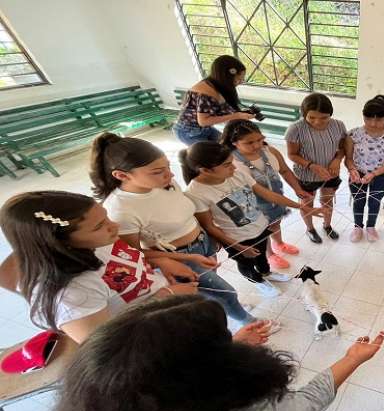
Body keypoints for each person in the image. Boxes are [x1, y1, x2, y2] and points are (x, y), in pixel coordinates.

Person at [53, 295, 384, 411]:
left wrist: (230, 346)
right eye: (226, 339)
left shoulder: (102, 400)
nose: (234, 340)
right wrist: (354, 357)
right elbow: (309, 401)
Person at [89, 132, 256, 326]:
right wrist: (189, 257)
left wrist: (208, 235)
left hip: (202, 244)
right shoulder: (120, 210)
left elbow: (186, 212)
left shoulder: (165, 182)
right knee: (225, 292)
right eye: (158, 171)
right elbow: (136, 254)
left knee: (214, 288)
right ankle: (247, 321)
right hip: (177, 257)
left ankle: (225, 306)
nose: (171, 174)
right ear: (122, 175)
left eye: (167, 166)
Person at [0, 191, 198, 343]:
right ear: (58, 242)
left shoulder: (100, 239)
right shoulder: (70, 295)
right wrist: (164, 296)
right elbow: (107, 343)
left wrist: (160, 262)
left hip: (169, 312)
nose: (114, 226)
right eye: (98, 226)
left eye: (106, 217)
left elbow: (126, 260)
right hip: (154, 337)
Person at [180, 141, 323, 297]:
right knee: (246, 263)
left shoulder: (237, 174)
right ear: (205, 170)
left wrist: (302, 207)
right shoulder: (195, 193)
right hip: (236, 239)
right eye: (228, 165)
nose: (234, 168)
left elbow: (267, 194)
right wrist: (238, 247)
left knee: (261, 254)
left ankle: (266, 273)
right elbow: (210, 227)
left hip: (260, 226)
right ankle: (257, 281)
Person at [221, 120, 309, 269]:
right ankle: (270, 253)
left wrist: (297, 189)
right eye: (249, 143)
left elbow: (285, 171)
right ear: (234, 142)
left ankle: (279, 243)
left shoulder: (271, 152)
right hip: (254, 205)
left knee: (276, 223)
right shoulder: (233, 162)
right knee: (263, 231)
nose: (257, 145)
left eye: (260, 140)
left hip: (276, 198)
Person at [285, 93, 348, 244]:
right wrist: (311, 165)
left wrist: (337, 160)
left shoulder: (338, 125)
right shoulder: (295, 129)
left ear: (330, 114)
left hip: (331, 174)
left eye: (324, 118)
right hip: (306, 175)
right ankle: (310, 229)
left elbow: (342, 147)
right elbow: (292, 154)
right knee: (307, 203)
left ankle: (327, 226)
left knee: (327, 200)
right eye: (311, 117)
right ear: (304, 114)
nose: (318, 122)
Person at [344, 95, 384, 242]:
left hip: (381, 176)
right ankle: (358, 227)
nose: (373, 123)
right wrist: (352, 170)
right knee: (358, 201)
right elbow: (349, 159)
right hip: (357, 174)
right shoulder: (353, 134)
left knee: (374, 202)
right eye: (368, 118)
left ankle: (371, 226)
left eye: (378, 119)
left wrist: (374, 174)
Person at [172, 55, 255, 145]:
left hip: (204, 129)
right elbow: (203, 121)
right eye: (239, 78)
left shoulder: (217, 85)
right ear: (226, 76)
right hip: (189, 132)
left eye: (243, 78)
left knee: (227, 146)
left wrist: (242, 114)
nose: (242, 81)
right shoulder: (205, 92)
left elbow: (222, 109)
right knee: (215, 156)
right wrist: (236, 115)